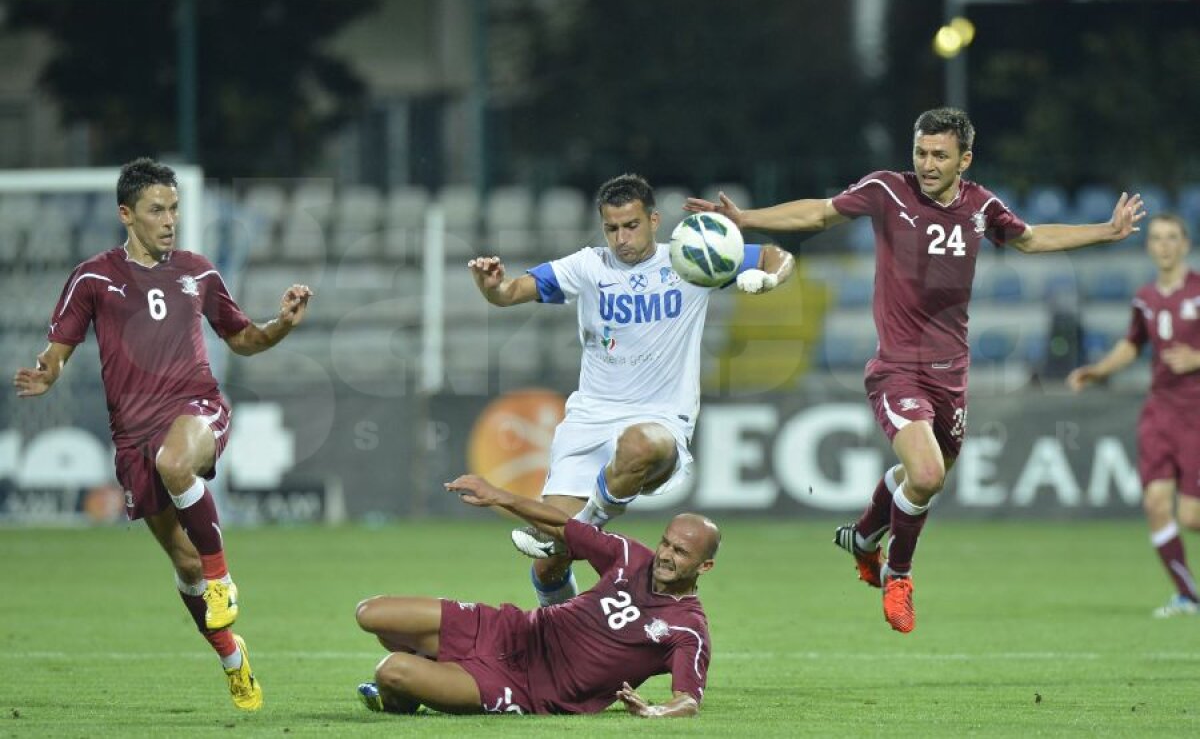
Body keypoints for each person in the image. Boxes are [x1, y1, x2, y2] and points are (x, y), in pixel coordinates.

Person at [686, 107, 1146, 633]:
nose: (927, 164)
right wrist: (748, 219)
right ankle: (898, 575)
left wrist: (1106, 232)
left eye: (940, 155)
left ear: (964, 159)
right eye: (921, 152)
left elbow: (1032, 239)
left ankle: (862, 537)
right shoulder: (888, 191)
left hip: (952, 375)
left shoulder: (981, 206)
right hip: (897, 369)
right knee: (926, 475)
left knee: (924, 479)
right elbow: (819, 212)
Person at [12, 158, 314, 709]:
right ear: (127, 214)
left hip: (195, 406)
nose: (170, 220)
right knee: (185, 563)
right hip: (132, 437)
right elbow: (58, 353)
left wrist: (281, 325)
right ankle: (231, 657)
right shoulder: (94, 277)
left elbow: (242, 339)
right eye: (157, 210)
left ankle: (224, 582)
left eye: (174, 208)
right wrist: (46, 374)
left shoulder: (197, 271)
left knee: (177, 464)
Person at [467, 173, 792, 606]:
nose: (622, 238)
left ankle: (586, 524)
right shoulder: (587, 267)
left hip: (660, 419)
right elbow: (509, 293)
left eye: (632, 225)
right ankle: (563, 648)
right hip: (590, 419)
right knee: (548, 565)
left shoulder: (689, 260)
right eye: (612, 228)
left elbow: (777, 255)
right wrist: (492, 287)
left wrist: (768, 279)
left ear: (654, 220)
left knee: (638, 445)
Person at [354, 474, 717, 717]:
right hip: (511, 630)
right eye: (665, 543)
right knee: (371, 615)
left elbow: (687, 700)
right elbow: (562, 525)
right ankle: (431, 672)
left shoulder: (689, 630)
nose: (666, 556)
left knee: (392, 671)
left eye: (681, 552)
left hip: (528, 686)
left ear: (704, 567)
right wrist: (499, 496)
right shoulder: (628, 555)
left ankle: (402, 697)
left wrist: (653, 711)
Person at [1067, 213, 1200, 618]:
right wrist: (1098, 370)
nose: (1163, 244)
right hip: (1159, 411)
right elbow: (1132, 344)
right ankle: (1187, 595)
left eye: (1171, 237)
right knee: (1156, 504)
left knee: (1191, 517)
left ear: (1185, 244)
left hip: (1196, 412)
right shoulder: (1144, 297)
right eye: (1156, 238)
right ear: (1149, 246)